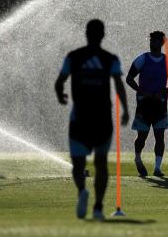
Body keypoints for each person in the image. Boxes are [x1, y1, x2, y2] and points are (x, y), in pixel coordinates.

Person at [55, 19, 129, 221]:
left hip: (80, 119)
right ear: (103, 35)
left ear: (86, 34)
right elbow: (119, 84)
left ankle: (82, 192)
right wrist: (125, 109)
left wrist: (60, 95)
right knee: (101, 163)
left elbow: (59, 82)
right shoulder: (110, 58)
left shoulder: (74, 56)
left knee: (78, 165)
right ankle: (97, 207)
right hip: (102, 119)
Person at [126, 31, 168, 178]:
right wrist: (140, 90)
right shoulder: (142, 59)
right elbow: (129, 78)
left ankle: (157, 168)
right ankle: (137, 158)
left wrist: (165, 91)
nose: (152, 43)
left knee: (159, 137)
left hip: (160, 105)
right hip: (144, 104)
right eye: (151, 40)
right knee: (141, 138)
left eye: (155, 41)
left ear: (161, 43)